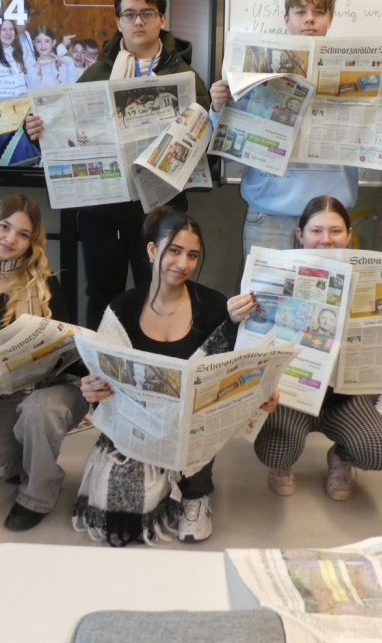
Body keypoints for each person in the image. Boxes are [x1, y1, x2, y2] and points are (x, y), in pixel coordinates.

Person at [73, 208, 279, 545]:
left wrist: (263, 394)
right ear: (153, 251)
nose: (183, 263)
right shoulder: (122, 308)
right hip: (138, 425)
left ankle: (196, 495)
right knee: (118, 522)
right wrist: (92, 388)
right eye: (174, 251)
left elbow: (236, 376)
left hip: (190, 429)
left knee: (195, 419)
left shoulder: (214, 307)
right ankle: (167, 482)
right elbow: (102, 376)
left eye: (192, 255)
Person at [24, 0, 211, 329]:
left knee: (158, 291)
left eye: (147, 13)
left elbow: (204, 143)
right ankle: (100, 374)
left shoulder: (184, 76)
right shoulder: (96, 72)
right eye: (129, 14)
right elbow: (63, 129)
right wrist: (34, 131)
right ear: (117, 21)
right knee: (102, 294)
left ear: (162, 19)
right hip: (101, 211)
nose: (138, 22)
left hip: (158, 211)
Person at [242, 197, 382, 500]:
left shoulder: (371, 277)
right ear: (300, 235)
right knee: (274, 449)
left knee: (380, 452)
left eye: (335, 231)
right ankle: (283, 464)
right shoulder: (275, 274)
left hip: (345, 398)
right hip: (292, 396)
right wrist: (236, 312)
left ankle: (341, 456)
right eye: (316, 231)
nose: (326, 240)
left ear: (350, 235)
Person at [209, 0, 382, 257]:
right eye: (301, 12)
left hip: (329, 216)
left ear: (330, 19)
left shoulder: (355, 65)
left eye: (319, 12)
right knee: (264, 297)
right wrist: (218, 108)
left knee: (320, 299)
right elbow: (229, 151)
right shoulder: (255, 69)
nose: (310, 19)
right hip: (270, 213)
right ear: (287, 18)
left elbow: (377, 146)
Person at [0, 195, 89, 532]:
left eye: (23, 234)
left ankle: (38, 494)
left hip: (55, 389)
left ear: (32, 242)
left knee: (39, 411)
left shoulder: (44, 284)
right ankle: (21, 451)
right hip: (4, 394)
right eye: (4, 226)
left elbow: (72, 357)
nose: (11, 239)